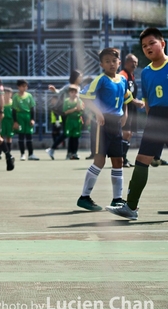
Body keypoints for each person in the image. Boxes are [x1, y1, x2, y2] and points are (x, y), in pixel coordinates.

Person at [107, 28, 168, 220]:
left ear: (162, 43)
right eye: (144, 46)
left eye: (152, 43)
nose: (148, 47)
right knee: (142, 159)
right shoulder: (147, 73)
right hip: (156, 118)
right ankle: (131, 207)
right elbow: (148, 100)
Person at [76, 48, 132, 211]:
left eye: (114, 61)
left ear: (119, 63)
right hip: (102, 124)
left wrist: (125, 114)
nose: (111, 64)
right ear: (101, 64)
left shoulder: (122, 80)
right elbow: (84, 95)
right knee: (100, 160)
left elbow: (126, 98)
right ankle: (84, 197)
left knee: (118, 160)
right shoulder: (100, 80)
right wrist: (98, 113)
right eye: (107, 61)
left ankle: (117, 199)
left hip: (116, 123)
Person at [45, 70, 83, 160]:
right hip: (67, 112)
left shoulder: (79, 87)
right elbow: (59, 92)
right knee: (67, 133)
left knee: (73, 134)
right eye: (80, 76)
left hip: (76, 113)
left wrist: (80, 113)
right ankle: (52, 149)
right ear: (75, 77)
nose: (81, 78)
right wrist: (54, 90)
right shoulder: (68, 87)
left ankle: (71, 153)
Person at [119, 54, 144, 167]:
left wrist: (138, 101)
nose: (135, 65)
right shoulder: (122, 75)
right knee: (126, 133)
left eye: (136, 63)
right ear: (126, 63)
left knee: (130, 134)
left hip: (132, 108)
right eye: (132, 62)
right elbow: (123, 94)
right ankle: (121, 159)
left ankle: (124, 158)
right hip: (125, 107)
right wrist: (135, 102)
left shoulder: (131, 76)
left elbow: (131, 93)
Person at [12, 79, 39, 161]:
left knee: (29, 136)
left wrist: (32, 119)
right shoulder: (15, 97)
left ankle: (31, 154)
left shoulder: (29, 96)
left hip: (27, 116)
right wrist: (15, 121)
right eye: (23, 86)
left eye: (26, 86)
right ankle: (22, 154)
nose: (25, 88)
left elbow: (32, 108)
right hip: (20, 116)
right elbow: (14, 110)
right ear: (18, 87)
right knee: (21, 136)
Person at [62, 85, 84, 160]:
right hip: (69, 121)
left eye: (75, 92)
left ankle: (75, 153)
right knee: (70, 137)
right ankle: (69, 153)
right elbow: (66, 112)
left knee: (76, 138)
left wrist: (78, 100)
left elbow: (79, 109)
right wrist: (74, 109)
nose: (73, 94)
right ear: (69, 93)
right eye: (72, 92)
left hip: (77, 120)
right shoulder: (66, 101)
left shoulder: (79, 101)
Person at [0, 87, 14, 160]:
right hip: (2, 121)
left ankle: (8, 154)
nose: (7, 95)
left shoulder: (13, 103)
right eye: (5, 93)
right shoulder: (0, 103)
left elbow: (15, 113)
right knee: (0, 137)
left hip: (10, 122)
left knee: (9, 137)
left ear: (11, 94)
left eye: (9, 93)